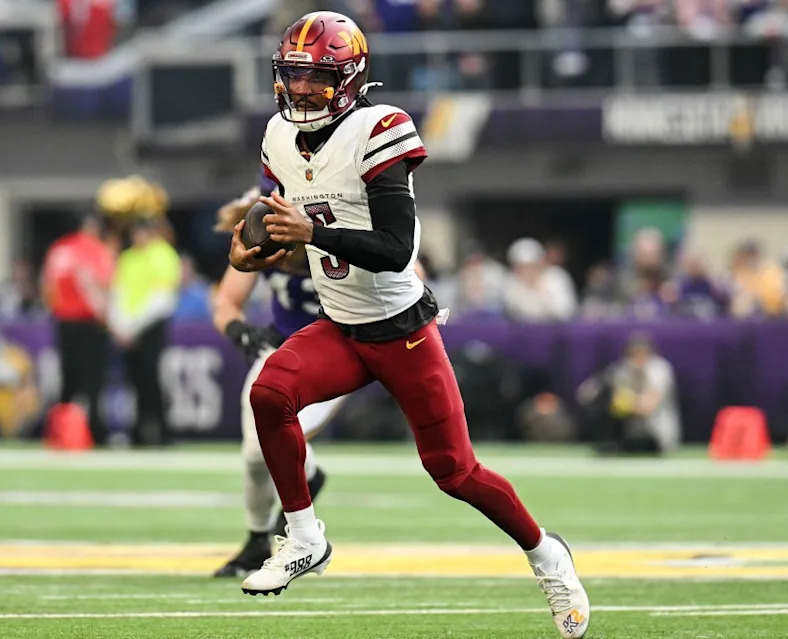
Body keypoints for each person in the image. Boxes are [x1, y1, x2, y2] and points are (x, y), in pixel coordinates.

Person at [227, 12, 589, 639]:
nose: (301, 90)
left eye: (316, 77)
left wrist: (307, 233)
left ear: (349, 77)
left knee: (455, 472)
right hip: (341, 325)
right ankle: (305, 536)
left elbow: (393, 247)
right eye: (292, 76)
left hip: (401, 330)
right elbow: (298, 230)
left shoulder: (380, 127)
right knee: (269, 394)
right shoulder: (279, 138)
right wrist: (254, 253)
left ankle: (546, 555)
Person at [210, 184, 340, 577]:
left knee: (280, 438)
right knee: (254, 454)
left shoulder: (341, 222)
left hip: (336, 350)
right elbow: (226, 301)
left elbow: (407, 270)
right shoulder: (265, 220)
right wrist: (238, 330)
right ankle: (257, 539)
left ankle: (303, 478)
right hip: (281, 348)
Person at [41, 212, 114, 446]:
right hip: (88, 323)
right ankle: (93, 433)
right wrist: (106, 318)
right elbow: (101, 286)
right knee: (93, 381)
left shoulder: (59, 249)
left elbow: (47, 286)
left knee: (68, 381)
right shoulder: (96, 250)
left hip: (64, 322)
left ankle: (59, 433)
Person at [107, 217, 181, 446]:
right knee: (135, 382)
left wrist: (132, 327)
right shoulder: (128, 257)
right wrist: (119, 326)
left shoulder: (163, 254)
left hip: (150, 327)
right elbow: (118, 293)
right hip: (128, 329)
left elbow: (161, 299)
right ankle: (138, 433)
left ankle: (160, 433)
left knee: (153, 381)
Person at [576, 333, 680, 456]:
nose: (638, 358)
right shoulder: (622, 369)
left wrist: (622, 402)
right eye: (634, 354)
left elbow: (646, 408)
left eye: (642, 353)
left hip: (656, 434)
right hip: (630, 433)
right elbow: (585, 394)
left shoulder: (660, 370)